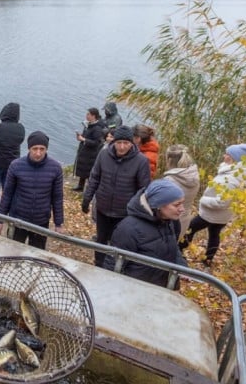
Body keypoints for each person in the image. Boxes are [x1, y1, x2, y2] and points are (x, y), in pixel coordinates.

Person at [81, 125, 151, 267]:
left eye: (126, 143)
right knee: (101, 239)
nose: (122, 147)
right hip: (103, 207)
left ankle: (114, 267)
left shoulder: (141, 161)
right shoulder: (104, 155)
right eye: (119, 143)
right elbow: (95, 177)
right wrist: (87, 198)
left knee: (119, 242)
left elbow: (143, 190)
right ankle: (98, 264)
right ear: (113, 142)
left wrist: (138, 213)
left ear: (132, 143)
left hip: (124, 212)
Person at [103, 179, 188, 288]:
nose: (182, 209)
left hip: (161, 290)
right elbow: (112, 266)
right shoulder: (128, 229)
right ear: (159, 205)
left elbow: (173, 248)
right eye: (177, 205)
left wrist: (181, 266)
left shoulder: (170, 221)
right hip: (136, 292)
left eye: (182, 203)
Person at [180, 143, 246, 267]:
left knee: (190, 228)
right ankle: (208, 260)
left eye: (227, 154)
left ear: (233, 158)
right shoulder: (234, 171)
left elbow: (222, 202)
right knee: (214, 233)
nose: (224, 155)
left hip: (213, 213)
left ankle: (179, 249)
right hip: (222, 215)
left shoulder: (232, 179)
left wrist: (203, 200)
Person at [0, 131, 64, 250]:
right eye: (35, 149)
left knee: (37, 255)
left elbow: (57, 197)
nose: (38, 153)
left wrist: (58, 223)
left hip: (41, 221)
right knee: (12, 252)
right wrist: (0, 220)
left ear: (46, 149)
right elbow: (7, 194)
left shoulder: (55, 168)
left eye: (42, 149)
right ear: (29, 148)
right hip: (17, 219)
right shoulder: (16, 166)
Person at [162, 144, 200, 240]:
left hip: (170, 222)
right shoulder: (194, 177)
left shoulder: (169, 181)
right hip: (184, 220)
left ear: (169, 160)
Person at [72, 107, 105, 191]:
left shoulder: (97, 128)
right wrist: (80, 137)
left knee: (88, 171)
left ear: (93, 116)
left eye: (88, 114)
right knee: (83, 169)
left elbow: (96, 143)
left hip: (91, 153)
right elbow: (85, 137)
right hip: (85, 150)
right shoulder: (89, 125)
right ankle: (80, 186)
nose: (86, 116)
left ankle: (89, 189)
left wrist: (84, 139)